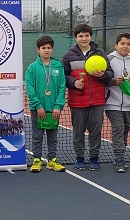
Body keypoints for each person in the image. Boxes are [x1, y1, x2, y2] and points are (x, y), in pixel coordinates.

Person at [61, 24, 114, 171]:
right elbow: (62, 77)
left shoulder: (100, 53)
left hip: (97, 101)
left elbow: (110, 73)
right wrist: (73, 82)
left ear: (91, 36)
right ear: (76, 37)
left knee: (96, 131)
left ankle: (94, 158)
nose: (84, 38)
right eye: (80, 36)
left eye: (86, 35)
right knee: (78, 132)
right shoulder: (68, 56)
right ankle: (79, 158)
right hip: (77, 101)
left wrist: (103, 75)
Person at [26, 36, 66, 173]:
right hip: (38, 109)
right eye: (43, 48)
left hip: (54, 109)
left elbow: (62, 87)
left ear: (52, 49)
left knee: (53, 137)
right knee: (37, 136)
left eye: (49, 48)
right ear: (38, 49)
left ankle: (52, 160)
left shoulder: (58, 66)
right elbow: (30, 88)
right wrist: (38, 106)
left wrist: (58, 106)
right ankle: (36, 160)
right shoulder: (32, 67)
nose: (46, 50)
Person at [104, 33, 130, 173]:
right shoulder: (109, 59)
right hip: (112, 102)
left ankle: (121, 154)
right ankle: (119, 157)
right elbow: (103, 78)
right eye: (122, 43)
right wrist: (112, 81)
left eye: (128, 44)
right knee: (118, 128)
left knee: (125, 129)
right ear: (116, 45)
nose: (125, 46)